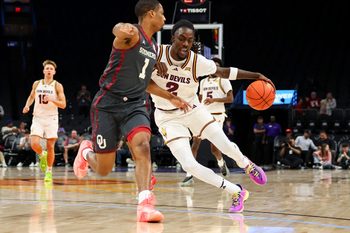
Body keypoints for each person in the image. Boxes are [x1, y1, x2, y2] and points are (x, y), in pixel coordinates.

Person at [73, 0, 189, 223]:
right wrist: (120, 27)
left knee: (143, 145)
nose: (165, 18)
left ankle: (145, 204)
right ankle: (86, 151)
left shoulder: (154, 47)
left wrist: (172, 97)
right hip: (107, 104)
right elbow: (118, 31)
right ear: (151, 13)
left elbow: (145, 83)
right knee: (104, 169)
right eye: (162, 14)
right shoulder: (132, 34)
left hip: (135, 104)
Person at [151, 19, 269, 213]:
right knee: (189, 165)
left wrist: (255, 75)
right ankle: (236, 191)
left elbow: (224, 71)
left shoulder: (197, 62)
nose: (186, 44)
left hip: (192, 109)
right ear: (172, 38)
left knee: (223, 145)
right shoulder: (156, 53)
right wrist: (152, 62)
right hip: (166, 116)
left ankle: (246, 164)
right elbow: (136, 61)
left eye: (190, 40)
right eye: (181, 39)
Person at [182, 57, 233, 186]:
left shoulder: (223, 80)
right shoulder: (203, 82)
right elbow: (199, 99)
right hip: (203, 114)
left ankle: (221, 163)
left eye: (217, 65)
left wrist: (214, 100)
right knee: (195, 143)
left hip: (217, 116)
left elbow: (230, 99)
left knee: (214, 149)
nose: (215, 67)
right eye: (213, 65)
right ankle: (189, 174)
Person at [22, 59, 67, 182]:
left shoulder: (57, 85)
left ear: (54, 72)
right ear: (43, 70)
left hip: (51, 118)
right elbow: (31, 96)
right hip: (38, 117)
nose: (49, 70)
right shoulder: (37, 83)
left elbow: (63, 105)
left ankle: (48, 171)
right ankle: (42, 155)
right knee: (34, 143)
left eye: (51, 69)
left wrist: (52, 99)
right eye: (47, 68)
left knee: (50, 146)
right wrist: (27, 105)